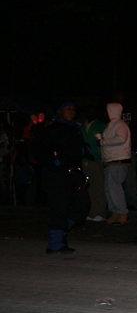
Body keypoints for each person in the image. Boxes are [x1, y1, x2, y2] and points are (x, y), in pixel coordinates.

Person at [31, 101, 90, 253]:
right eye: (68, 108)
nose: (72, 111)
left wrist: (84, 150)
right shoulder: (49, 130)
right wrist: (53, 161)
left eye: (73, 109)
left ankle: (60, 233)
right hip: (55, 175)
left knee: (82, 206)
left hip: (73, 174)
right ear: (59, 112)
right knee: (59, 208)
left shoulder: (75, 129)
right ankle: (55, 242)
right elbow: (38, 151)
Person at [98, 103, 132, 225]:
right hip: (111, 161)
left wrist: (103, 142)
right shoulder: (113, 124)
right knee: (110, 188)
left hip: (118, 160)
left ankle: (122, 213)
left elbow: (121, 139)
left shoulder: (119, 125)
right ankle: (115, 213)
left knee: (114, 188)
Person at [79, 107, 107, 221]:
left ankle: (100, 212)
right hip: (85, 160)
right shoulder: (82, 126)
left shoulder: (100, 125)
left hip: (97, 160)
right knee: (89, 188)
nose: (91, 113)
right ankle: (92, 211)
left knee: (98, 186)